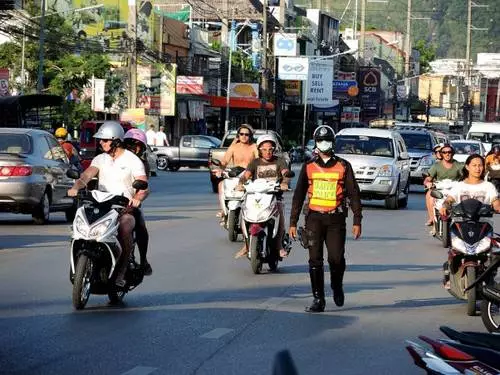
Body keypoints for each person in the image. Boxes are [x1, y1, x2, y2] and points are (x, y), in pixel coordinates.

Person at [288, 125, 362, 313]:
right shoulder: (308, 166)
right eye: (320, 141)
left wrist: (357, 221)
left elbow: (354, 194)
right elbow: (298, 195)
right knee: (315, 260)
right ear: (316, 143)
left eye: (327, 140)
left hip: (335, 219)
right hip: (313, 219)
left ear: (333, 142)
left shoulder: (343, 166)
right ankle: (318, 299)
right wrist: (293, 222)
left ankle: (337, 286)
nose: (324, 144)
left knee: (336, 259)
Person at [67, 121, 149, 287]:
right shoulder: (100, 159)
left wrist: (138, 198)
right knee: (79, 226)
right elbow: (86, 177)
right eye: (101, 140)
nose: (101, 143)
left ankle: (121, 272)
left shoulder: (133, 161)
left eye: (105, 140)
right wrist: (75, 187)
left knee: (125, 227)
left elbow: (143, 185)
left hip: (123, 208)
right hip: (100, 205)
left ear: (116, 141)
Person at [234, 134, 291, 259]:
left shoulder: (279, 161)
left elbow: (285, 173)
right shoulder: (254, 162)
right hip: (256, 196)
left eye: (270, 149)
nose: (268, 152)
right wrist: (240, 183)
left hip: (274, 197)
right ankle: (247, 245)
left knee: (280, 216)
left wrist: (284, 183)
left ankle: (279, 246)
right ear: (259, 150)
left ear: (274, 149)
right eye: (264, 149)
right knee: (245, 214)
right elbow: (246, 175)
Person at [123, 128, 153, 275]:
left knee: (140, 224)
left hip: (129, 203)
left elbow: (143, 187)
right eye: (128, 144)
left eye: (136, 145)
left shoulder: (142, 164)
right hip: (106, 201)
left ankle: (143, 260)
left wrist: (136, 199)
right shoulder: (111, 158)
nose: (132, 148)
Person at [214, 124, 258, 224]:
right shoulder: (234, 147)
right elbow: (225, 161)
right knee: (221, 185)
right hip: (235, 174)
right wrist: (221, 168)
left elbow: (258, 160)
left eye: (247, 134)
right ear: (238, 135)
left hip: (249, 176)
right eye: (241, 134)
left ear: (250, 136)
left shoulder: (254, 147)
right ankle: (224, 210)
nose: (244, 136)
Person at [423, 144, 462, 228]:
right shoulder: (436, 166)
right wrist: (428, 183)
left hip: (454, 189)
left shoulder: (459, 165)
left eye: (449, 152)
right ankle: (432, 219)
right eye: (444, 152)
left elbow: (467, 175)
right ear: (441, 154)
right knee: (430, 194)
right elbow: (428, 178)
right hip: (440, 189)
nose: (447, 154)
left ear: (453, 153)